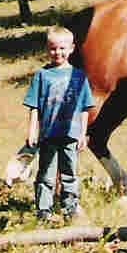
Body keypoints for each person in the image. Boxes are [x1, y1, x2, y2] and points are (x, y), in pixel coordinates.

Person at [23, 25, 95, 223]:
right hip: (48, 135)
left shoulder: (79, 76)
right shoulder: (42, 75)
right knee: (46, 174)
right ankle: (44, 211)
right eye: (53, 48)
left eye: (62, 48)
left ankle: (70, 207)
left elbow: (85, 108)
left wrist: (82, 134)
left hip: (71, 134)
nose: (58, 53)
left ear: (71, 49)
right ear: (47, 49)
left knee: (69, 173)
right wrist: (32, 131)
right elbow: (34, 106)